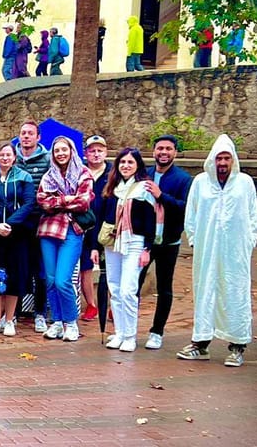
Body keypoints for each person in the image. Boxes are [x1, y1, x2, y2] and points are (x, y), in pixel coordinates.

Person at [177, 134, 257, 367]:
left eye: (226, 158)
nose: (222, 163)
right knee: (205, 291)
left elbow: (253, 215)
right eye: (219, 158)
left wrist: (249, 240)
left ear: (233, 160)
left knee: (235, 291)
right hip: (207, 248)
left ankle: (237, 346)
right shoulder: (201, 182)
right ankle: (200, 344)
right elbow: (191, 214)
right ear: (212, 160)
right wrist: (194, 239)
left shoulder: (245, 183)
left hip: (236, 251)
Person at [98, 148, 162, 353]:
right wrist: (94, 247)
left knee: (127, 290)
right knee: (115, 289)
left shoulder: (143, 189)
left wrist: (147, 249)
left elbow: (151, 220)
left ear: (138, 166)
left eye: (130, 162)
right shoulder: (112, 188)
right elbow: (102, 217)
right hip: (113, 243)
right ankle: (119, 332)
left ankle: (130, 335)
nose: (126, 166)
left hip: (135, 242)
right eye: (122, 162)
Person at [138, 134, 192, 350]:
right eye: (160, 148)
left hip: (169, 242)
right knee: (134, 285)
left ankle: (157, 331)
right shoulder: (144, 174)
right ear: (154, 151)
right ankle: (128, 328)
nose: (163, 152)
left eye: (168, 149)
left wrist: (161, 196)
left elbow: (184, 208)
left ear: (175, 153)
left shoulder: (183, 179)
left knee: (164, 287)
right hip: (145, 242)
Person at [37, 136, 94, 342]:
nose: (60, 153)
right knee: (50, 280)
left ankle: (71, 322)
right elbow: (42, 201)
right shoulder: (48, 175)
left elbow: (84, 202)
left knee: (63, 280)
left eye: (64, 149)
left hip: (72, 230)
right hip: (48, 231)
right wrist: (67, 199)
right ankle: (58, 322)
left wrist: (57, 202)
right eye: (56, 150)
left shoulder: (83, 173)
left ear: (71, 151)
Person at [0, 141, 35, 337]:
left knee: (14, 275)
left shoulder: (24, 177)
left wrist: (10, 224)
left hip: (16, 234)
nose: (5, 158)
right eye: (1, 155)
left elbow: (29, 204)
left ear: (14, 157)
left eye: (8, 155)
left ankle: (9, 319)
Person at [14, 120, 51, 333]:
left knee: (41, 272)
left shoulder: (47, 160)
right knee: (18, 267)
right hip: (18, 224)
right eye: (23, 133)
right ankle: (14, 312)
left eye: (30, 133)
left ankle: (39, 313)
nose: (26, 136)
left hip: (41, 221)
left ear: (38, 137)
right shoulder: (11, 157)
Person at [79, 135, 110, 322]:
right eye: (92, 150)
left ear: (105, 152)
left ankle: (113, 305)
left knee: (111, 269)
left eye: (100, 150)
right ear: (86, 153)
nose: (96, 154)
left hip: (107, 226)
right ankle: (91, 304)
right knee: (86, 267)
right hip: (85, 226)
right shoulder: (80, 172)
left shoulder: (114, 173)